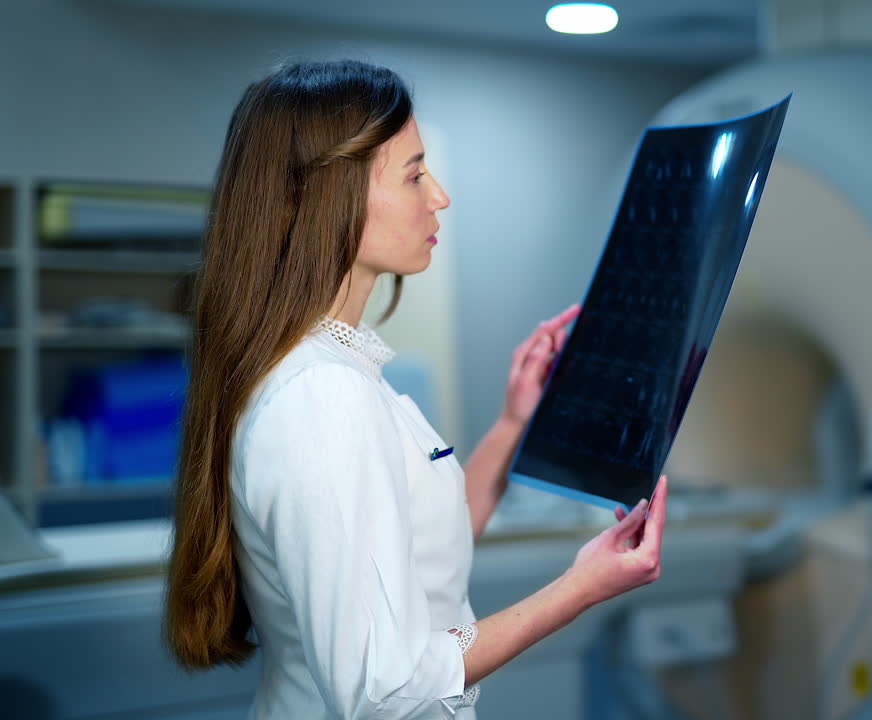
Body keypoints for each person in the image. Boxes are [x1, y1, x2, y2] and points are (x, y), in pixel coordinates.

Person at [162, 59, 669, 719]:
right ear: (332, 197)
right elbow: (385, 683)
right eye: (413, 173)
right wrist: (580, 587)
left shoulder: (329, 374)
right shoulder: (321, 400)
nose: (440, 196)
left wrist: (514, 422)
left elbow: (429, 537)